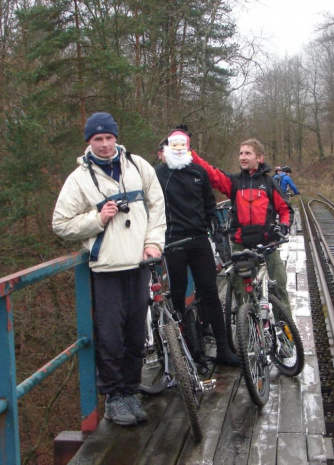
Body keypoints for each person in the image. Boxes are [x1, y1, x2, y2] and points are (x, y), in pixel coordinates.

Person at [52, 112, 166, 426]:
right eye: (97, 139)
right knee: (110, 337)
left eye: (108, 137)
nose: (104, 144)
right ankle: (114, 397)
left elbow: (157, 207)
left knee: (136, 333)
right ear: (89, 142)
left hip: (139, 263)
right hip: (106, 269)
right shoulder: (78, 180)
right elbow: (60, 224)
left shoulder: (139, 166)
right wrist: (97, 219)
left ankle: (131, 391)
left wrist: (154, 243)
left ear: (116, 137)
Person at [155, 129, 240, 367]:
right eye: (175, 145)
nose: (179, 148)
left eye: (183, 145)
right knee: (179, 296)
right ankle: (186, 348)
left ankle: (223, 348)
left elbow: (210, 203)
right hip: (173, 242)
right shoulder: (158, 175)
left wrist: (214, 221)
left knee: (210, 292)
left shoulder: (199, 172)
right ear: (168, 148)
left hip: (199, 239)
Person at [191, 138, 294, 316]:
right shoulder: (235, 182)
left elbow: (285, 209)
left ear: (259, 158)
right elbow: (211, 173)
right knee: (241, 292)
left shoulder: (269, 183)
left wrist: (284, 226)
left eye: (248, 153)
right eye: (240, 153)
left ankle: (286, 334)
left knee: (279, 288)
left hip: (268, 244)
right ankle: (247, 331)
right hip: (241, 244)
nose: (242, 157)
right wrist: (188, 150)